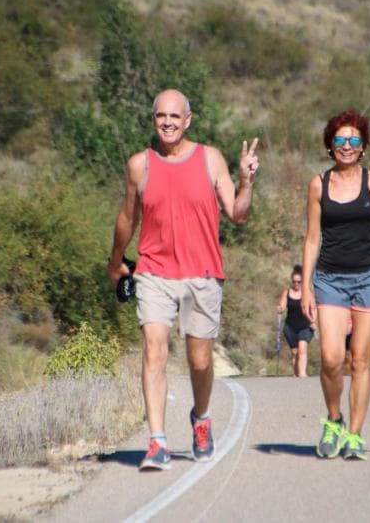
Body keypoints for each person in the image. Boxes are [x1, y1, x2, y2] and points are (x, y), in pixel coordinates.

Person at [107, 89, 259, 471]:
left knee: (200, 359)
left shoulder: (209, 159)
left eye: (175, 117)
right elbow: (127, 218)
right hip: (154, 271)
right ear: (153, 120)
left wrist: (246, 180)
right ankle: (157, 441)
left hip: (202, 273)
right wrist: (114, 262)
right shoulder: (140, 165)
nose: (168, 123)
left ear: (188, 120)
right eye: (161, 117)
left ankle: (202, 417)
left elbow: (237, 214)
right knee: (154, 350)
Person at [301, 108, 370, 460]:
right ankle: (334, 419)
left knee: (360, 359)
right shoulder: (318, 184)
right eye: (340, 140)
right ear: (330, 145)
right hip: (330, 278)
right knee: (332, 359)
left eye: (354, 140)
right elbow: (312, 238)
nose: (346, 146)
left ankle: (355, 435)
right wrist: (305, 286)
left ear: (363, 147)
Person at [276, 264, 315, 377]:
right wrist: (280, 308)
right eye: (294, 281)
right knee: (295, 352)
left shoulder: (308, 293)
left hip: (305, 326)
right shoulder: (287, 292)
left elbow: (313, 308)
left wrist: (313, 321)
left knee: (302, 348)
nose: (296, 284)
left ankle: (303, 374)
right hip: (290, 327)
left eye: (299, 282)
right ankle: (296, 374)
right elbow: (282, 306)